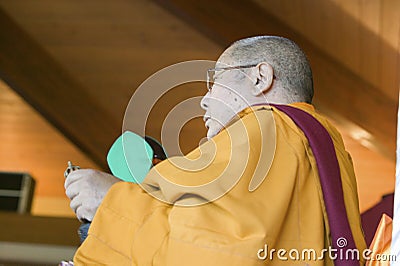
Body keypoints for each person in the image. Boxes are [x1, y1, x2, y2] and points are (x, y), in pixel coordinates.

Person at [65, 36, 367, 265]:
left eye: (215, 82)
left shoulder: (267, 127)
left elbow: (211, 249)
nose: (204, 101)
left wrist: (109, 201)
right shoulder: (331, 153)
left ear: (259, 77)